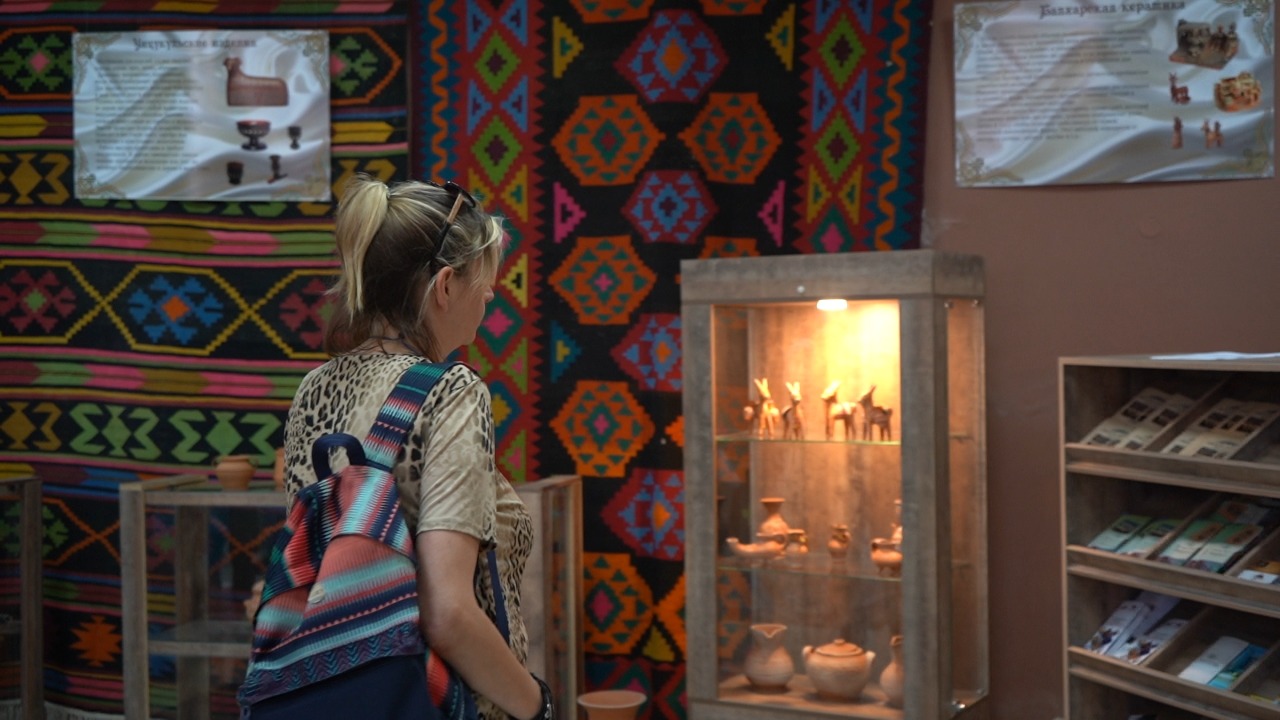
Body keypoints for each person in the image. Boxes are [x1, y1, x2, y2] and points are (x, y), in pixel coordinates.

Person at [280, 173, 553, 720]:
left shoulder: (314, 388)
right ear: (446, 286)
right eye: (484, 281)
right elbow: (447, 613)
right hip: (438, 703)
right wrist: (536, 704)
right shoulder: (452, 391)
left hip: (337, 696)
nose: (490, 295)